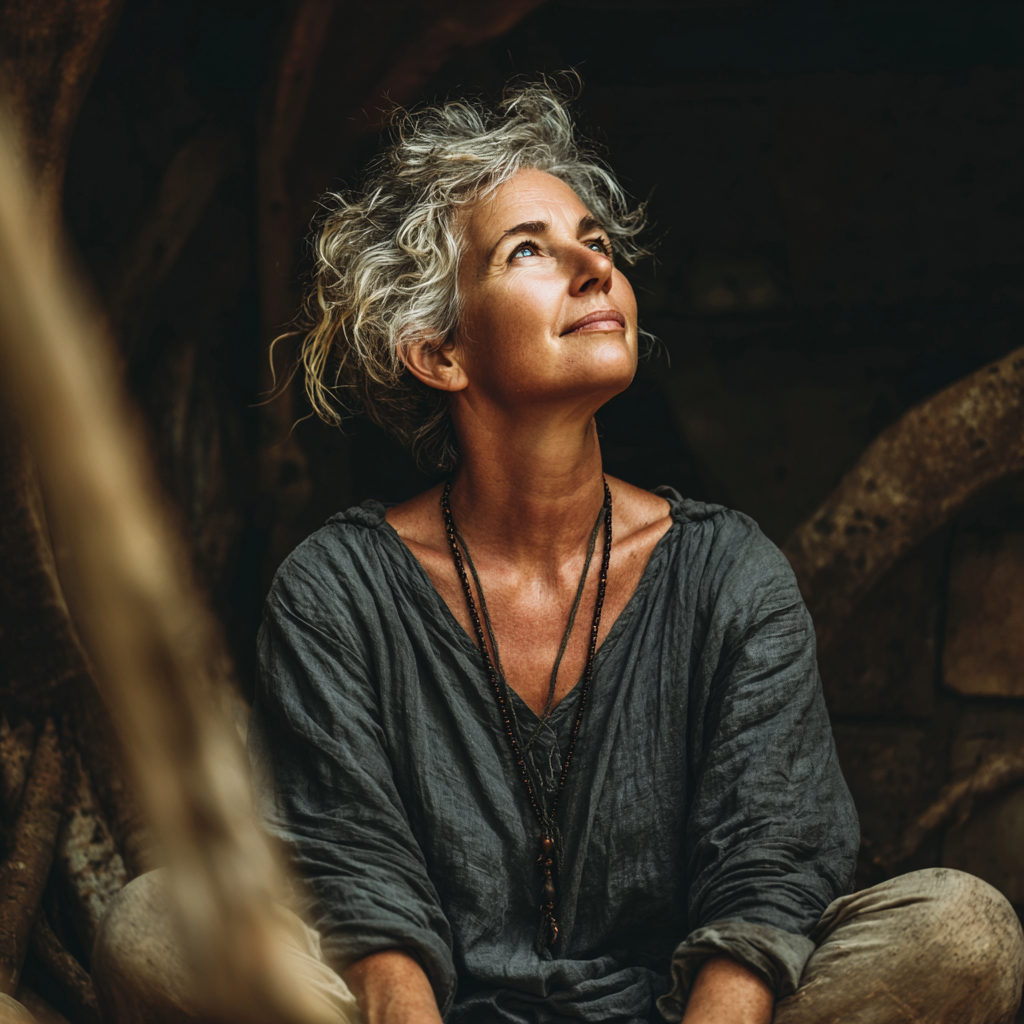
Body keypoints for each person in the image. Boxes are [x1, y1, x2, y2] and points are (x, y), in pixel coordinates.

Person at [92, 80, 1024, 1024]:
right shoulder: (338, 592)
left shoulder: (729, 575)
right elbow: (356, 881)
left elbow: (767, 870)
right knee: (155, 923)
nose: (593, 266)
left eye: (597, 241)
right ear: (439, 352)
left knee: (962, 931)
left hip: (675, 1013)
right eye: (529, 249)